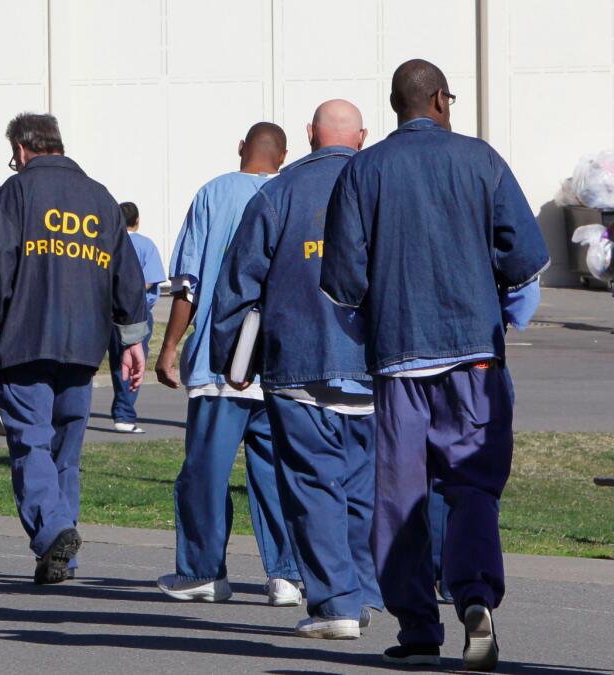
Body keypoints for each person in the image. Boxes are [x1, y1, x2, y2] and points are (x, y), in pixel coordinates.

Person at [320, 59, 549, 670]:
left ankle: (418, 625)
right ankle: (474, 596)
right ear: (442, 101)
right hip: (473, 356)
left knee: (399, 493)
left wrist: (373, 326)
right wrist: (498, 309)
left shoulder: (363, 169)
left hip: (398, 360)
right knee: (471, 483)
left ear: (395, 105)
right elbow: (525, 258)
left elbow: (342, 281)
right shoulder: (482, 160)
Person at [211, 100, 382, 640]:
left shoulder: (278, 193)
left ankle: (336, 603)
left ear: (309, 134)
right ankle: (362, 591)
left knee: (312, 486)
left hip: (300, 362)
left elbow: (239, 283)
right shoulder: (381, 186)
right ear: (362, 136)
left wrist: (229, 358)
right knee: (362, 488)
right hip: (373, 366)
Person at [0, 113, 148, 584]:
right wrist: (131, 340)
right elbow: (127, 274)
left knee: (30, 440)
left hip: (26, 338)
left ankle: (56, 528)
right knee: (66, 448)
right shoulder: (101, 198)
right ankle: (62, 555)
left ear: (22, 150)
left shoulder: (19, 191)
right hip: (83, 344)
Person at [154, 122, 302, 605]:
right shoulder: (293, 193)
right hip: (281, 360)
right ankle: (286, 574)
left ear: (242, 148)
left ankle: (203, 570)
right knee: (276, 471)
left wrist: (171, 345)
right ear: (284, 155)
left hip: (223, 359)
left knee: (205, 471)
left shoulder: (213, 194)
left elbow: (188, 282)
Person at [107, 201, 165, 434]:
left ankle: (121, 411)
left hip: (107, 311)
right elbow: (150, 280)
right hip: (136, 314)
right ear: (137, 221)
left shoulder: (109, 243)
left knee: (115, 361)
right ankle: (124, 414)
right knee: (132, 362)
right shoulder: (145, 245)